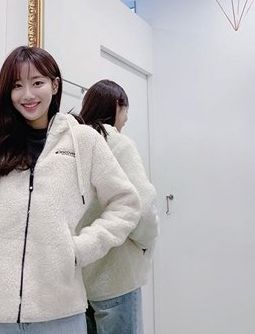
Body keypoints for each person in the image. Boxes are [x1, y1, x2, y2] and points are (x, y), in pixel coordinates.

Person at [0, 47, 142, 334]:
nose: (27, 94)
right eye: (17, 86)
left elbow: (126, 203)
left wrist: (79, 249)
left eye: (37, 83)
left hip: (60, 314)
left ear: (55, 85)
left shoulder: (83, 140)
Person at [80, 79, 159, 334]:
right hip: (116, 276)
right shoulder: (118, 144)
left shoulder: (74, 144)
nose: (126, 118)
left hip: (79, 280)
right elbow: (142, 206)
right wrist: (146, 242)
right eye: (126, 110)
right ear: (117, 105)